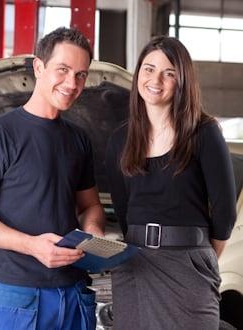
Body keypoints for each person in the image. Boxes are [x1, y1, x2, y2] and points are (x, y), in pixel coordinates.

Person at [0, 27, 105, 330]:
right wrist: (32, 245)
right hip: (19, 298)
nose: (72, 83)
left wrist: (94, 235)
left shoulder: (79, 139)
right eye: (62, 70)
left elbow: (90, 205)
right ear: (39, 67)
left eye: (81, 74)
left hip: (75, 293)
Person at [105, 36, 236, 330]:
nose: (156, 80)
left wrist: (198, 257)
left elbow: (225, 211)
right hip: (134, 265)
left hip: (187, 263)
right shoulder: (119, 140)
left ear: (182, 80)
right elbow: (123, 210)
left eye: (169, 73)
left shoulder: (204, 132)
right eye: (149, 69)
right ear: (138, 73)